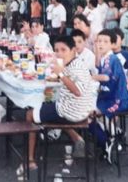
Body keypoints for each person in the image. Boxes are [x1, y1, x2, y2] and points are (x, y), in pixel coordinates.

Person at [23, 36, 99, 174]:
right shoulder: (74, 63)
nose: (59, 53)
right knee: (49, 101)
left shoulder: (76, 68)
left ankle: (30, 159)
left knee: (29, 114)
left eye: (64, 50)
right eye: (56, 50)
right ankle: (76, 137)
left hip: (72, 112)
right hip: (80, 109)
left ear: (73, 50)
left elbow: (77, 91)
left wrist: (61, 74)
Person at [91, 29, 128, 163]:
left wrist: (90, 77)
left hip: (118, 99)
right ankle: (113, 134)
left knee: (93, 113)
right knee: (89, 111)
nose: (101, 44)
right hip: (109, 97)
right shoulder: (104, 58)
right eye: (99, 41)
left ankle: (110, 138)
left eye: (105, 41)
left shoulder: (111, 59)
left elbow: (106, 77)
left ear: (112, 44)